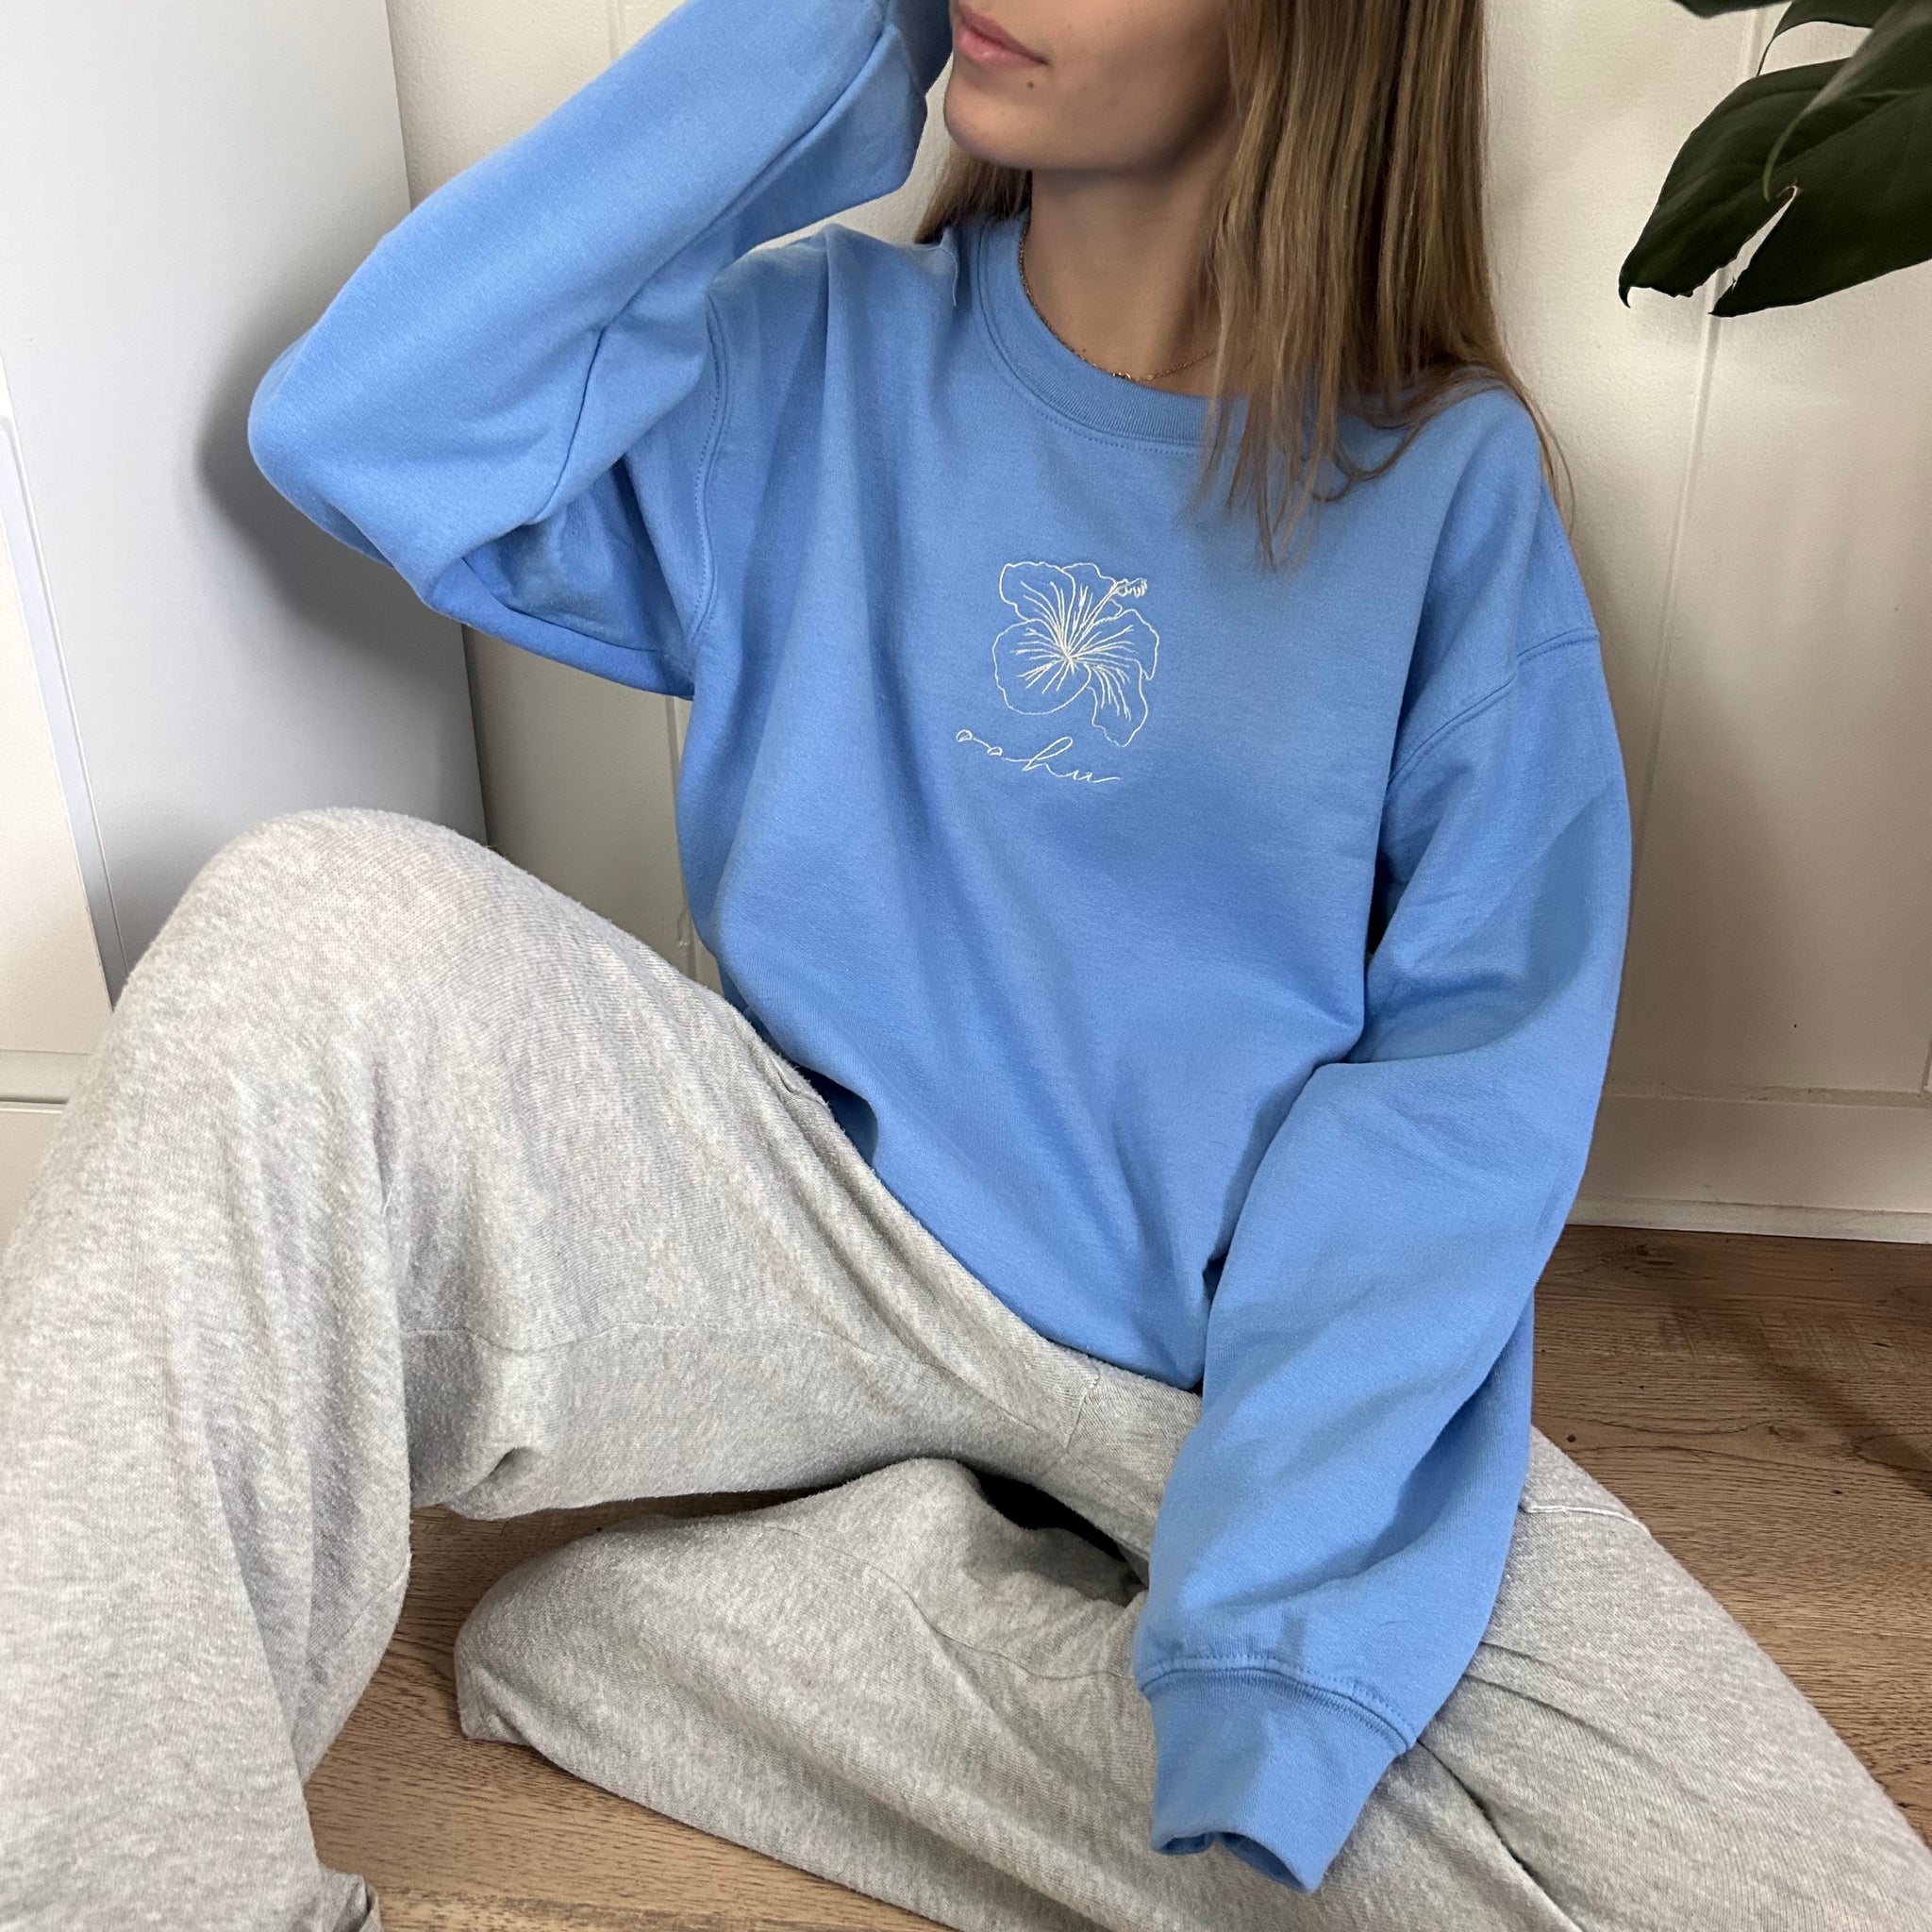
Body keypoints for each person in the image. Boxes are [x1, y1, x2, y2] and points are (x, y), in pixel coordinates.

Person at [3, 0, 1929, 1925]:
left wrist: (1278, 1618)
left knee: (1802, 1893)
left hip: (1214, 1356)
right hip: (800, 1245)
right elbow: (364, 431)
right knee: (309, 924)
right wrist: (820, 35)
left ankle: (741, 1648)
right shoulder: (807, 359)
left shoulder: (1440, 490)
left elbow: (1469, 1080)